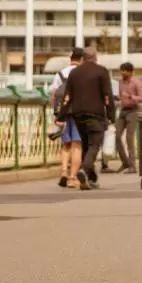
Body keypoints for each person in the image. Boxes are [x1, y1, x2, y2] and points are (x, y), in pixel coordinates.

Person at [62, 47, 115, 190]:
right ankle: (84, 170)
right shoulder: (101, 71)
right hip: (95, 114)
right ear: (95, 57)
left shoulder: (74, 73)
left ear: (83, 58)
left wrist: (62, 114)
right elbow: (107, 96)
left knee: (86, 145)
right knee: (94, 145)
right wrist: (111, 115)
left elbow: (67, 96)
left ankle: (91, 178)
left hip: (78, 114)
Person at [49, 48, 84, 188]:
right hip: (77, 111)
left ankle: (63, 172)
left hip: (63, 112)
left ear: (70, 58)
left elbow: (53, 93)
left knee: (66, 144)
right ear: (81, 59)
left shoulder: (60, 74)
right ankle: (72, 177)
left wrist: (57, 112)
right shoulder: (80, 73)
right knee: (77, 144)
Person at [113, 62, 142, 173]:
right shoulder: (120, 82)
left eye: (125, 70)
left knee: (129, 138)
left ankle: (132, 165)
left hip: (133, 111)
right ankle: (125, 162)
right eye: (121, 70)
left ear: (130, 72)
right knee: (116, 135)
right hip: (123, 110)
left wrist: (130, 96)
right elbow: (121, 95)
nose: (122, 73)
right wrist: (118, 99)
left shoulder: (136, 82)